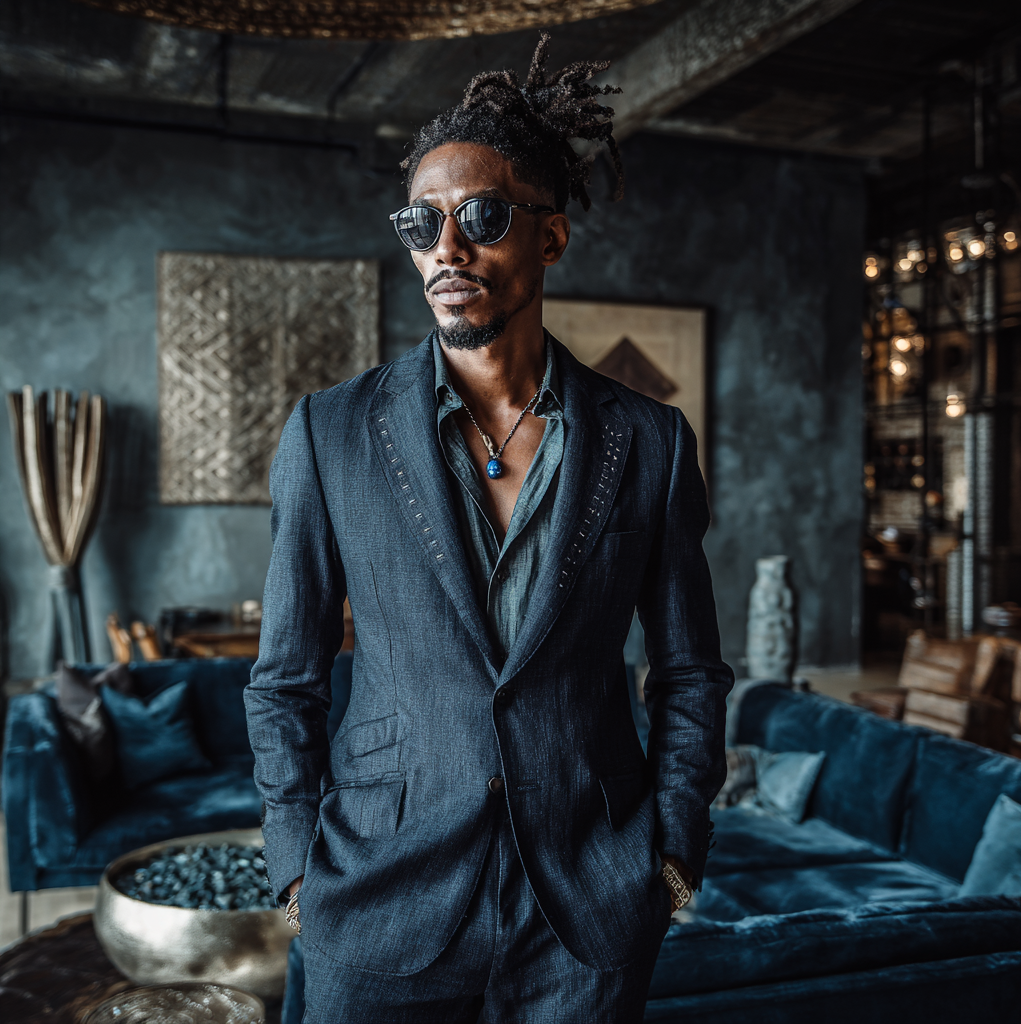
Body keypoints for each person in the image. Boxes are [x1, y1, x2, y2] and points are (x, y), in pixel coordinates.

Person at [245, 35, 733, 1024]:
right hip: (378, 892)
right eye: (422, 224)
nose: (447, 250)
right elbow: (285, 678)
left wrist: (673, 852)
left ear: (549, 237)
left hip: (586, 906)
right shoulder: (329, 431)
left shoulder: (650, 442)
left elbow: (688, 672)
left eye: (482, 217)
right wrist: (299, 867)